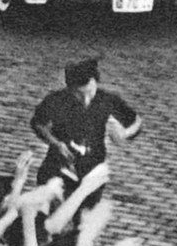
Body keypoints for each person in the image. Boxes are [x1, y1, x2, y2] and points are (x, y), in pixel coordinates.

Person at [31, 58, 141, 192]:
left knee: (87, 209)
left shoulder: (107, 100)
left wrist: (125, 133)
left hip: (92, 170)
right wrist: (55, 143)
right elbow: (38, 124)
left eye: (90, 92)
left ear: (96, 83)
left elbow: (136, 121)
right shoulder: (56, 100)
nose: (86, 100)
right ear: (69, 88)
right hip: (57, 168)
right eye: (79, 94)